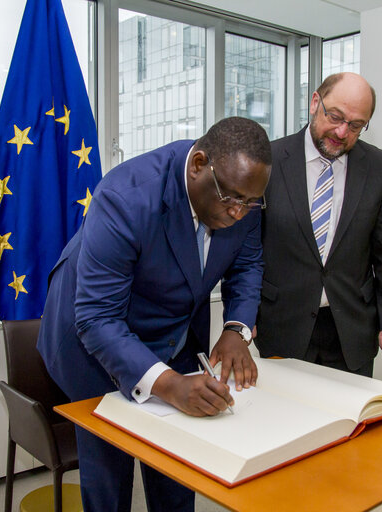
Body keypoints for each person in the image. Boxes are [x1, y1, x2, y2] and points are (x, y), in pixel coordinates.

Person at [37, 116, 271, 512]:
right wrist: (169, 385)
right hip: (92, 341)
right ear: (198, 165)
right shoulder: (126, 197)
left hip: (172, 331)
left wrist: (235, 329)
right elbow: (97, 317)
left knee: (178, 463)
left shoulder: (242, 192)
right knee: (110, 470)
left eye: (250, 203)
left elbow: (247, 265)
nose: (239, 214)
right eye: (232, 200)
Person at [255, 72, 382, 377]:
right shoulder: (268, 160)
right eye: (335, 116)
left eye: (355, 126)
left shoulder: (379, 167)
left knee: (352, 423)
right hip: (281, 324)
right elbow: (246, 249)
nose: (341, 132)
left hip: (352, 330)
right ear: (315, 103)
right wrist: (242, 315)